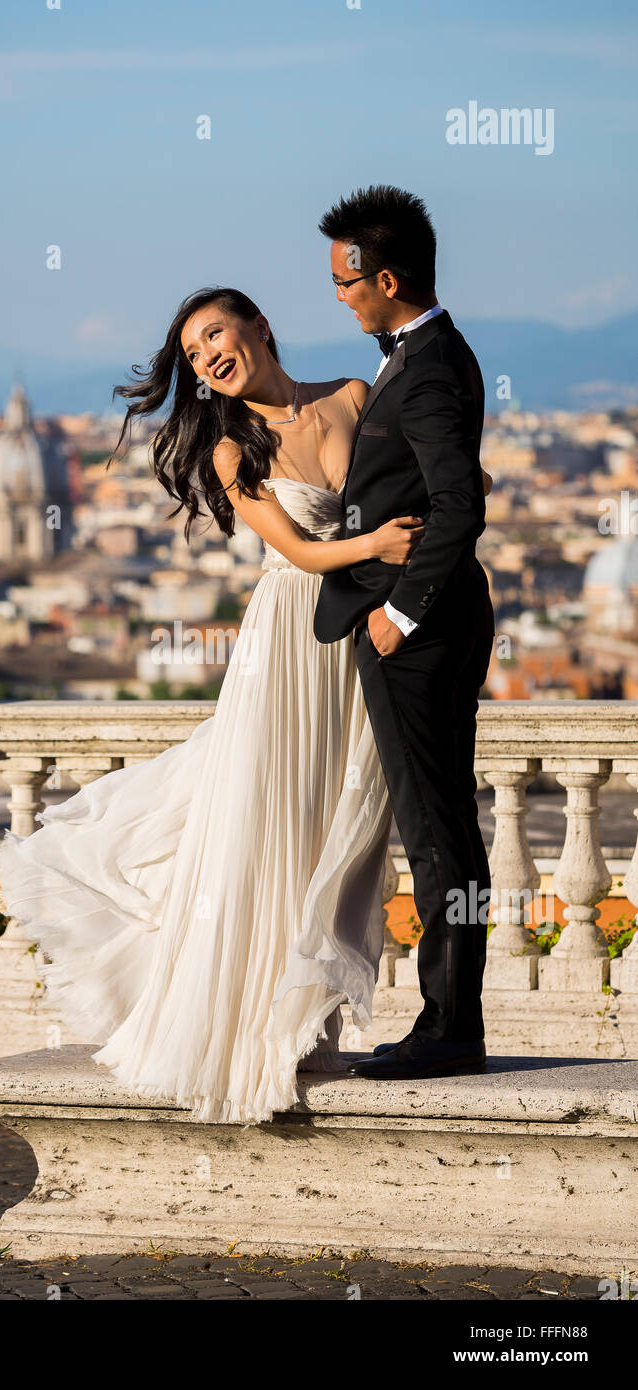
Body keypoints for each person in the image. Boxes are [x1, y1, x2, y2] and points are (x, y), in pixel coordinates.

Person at [0, 285, 436, 1125]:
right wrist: (377, 543)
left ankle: (307, 1017)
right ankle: (261, 1032)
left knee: (335, 821)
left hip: (357, 642)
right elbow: (302, 551)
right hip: (288, 635)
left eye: (215, 338)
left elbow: (417, 468)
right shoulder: (235, 449)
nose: (207, 360)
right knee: (267, 820)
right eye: (194, 356)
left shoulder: (354, 395)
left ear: (259, 328)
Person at [313, 185, 496, 1080]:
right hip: (445, 610)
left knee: (434, 830)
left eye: (346, 280)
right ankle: (452, 1018)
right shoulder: (436, 355)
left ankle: (449, 1028)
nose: (339, 295)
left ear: (386, 278)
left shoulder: (424, 367)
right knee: (446, 822)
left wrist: (398, 611)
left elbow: (461, 501)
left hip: (415, 624)